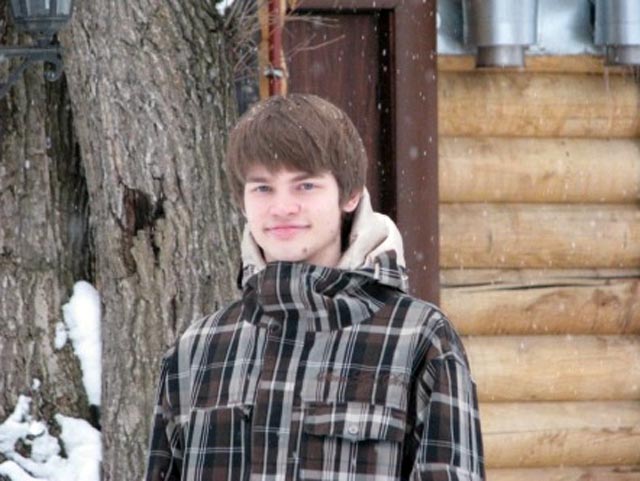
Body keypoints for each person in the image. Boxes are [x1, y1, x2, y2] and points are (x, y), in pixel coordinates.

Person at [145, 94, 485, 481]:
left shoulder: (419, 339)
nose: (282, 207)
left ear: (350, 194)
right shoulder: (196, 350)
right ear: (242, 201)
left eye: (305, 186)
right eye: (263, 188)